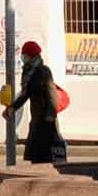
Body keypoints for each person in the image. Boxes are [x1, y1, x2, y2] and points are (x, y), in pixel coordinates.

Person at [12, 40, 67, 169]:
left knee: (45, 154)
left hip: (46, 119)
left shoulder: (43, 71)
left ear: (30, 55)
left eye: (24, 54)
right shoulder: (28, 72)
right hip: (37, 118)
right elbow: (25, 94)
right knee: (36, 154)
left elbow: (51, 94)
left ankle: (45, 178)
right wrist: (12, 107)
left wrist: (50, 115)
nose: (22, 57)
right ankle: (40, 175)